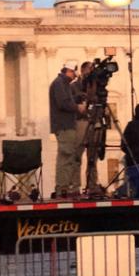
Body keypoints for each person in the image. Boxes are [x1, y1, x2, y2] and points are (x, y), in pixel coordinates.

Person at [48, 62, 83, 196]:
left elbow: (65, 100)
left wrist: (75, 98)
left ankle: (63, 186)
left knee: (67, 155)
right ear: (68, 71)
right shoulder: (60, 83)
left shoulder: (63, 84)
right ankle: (63, 187)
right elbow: (63, 103)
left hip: (65, 125)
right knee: (67, 155)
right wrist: (77, 107)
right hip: (64, 125)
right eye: (74, 72)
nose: (75, 76)